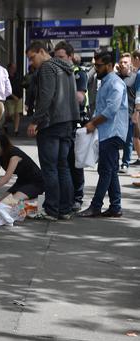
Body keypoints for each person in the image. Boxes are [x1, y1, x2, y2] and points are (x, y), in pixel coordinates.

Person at [25, 41, 80, 221]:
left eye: (32, 58)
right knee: (63, 166)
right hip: (67, 122)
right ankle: (64, 209)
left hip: (51, 123)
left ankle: (51, 210)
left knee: (50, 168)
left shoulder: (48, 67)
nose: (31, 63)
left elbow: (46, 97)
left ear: (42, 51)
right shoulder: (67, 68)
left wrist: (35, 121)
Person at [77, 52, 128, 218]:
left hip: (112, 132)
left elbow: (111, 110)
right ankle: (115, 206)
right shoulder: (106, 82)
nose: (96, 69)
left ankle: (96, 206)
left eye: (98, 66)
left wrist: (93, 123)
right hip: (107, 131)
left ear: (108, 65)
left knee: (105, 170)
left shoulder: (115, 83)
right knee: (111, 170)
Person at [54, 41, 88, 212]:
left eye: (61, 57)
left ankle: (77, 197)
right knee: (63, 162)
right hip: (61, 123)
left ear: (70, 57)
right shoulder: (55, 72)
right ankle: (65, 196)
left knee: (75, 162)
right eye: (56, 57)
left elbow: (80, 97)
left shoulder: (79, 74)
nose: (58, 60)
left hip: (76, 124)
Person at [0, 133, 44, 201]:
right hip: (21, 181)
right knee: (2, 200)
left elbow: (6, 179)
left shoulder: (14, 155)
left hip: (36, 182)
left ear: (2, 146)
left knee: (9, 201)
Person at [116, 53, 136, 173]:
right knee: (115, 140)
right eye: (121, 62)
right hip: (116, 115)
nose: (123, 64)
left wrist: (135, 112)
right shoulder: (115, 77)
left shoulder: (135, 77)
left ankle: (125, 163)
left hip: (129, 114)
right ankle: (114, 162)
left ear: (130, 64)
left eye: (125, 62)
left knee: (128, 140)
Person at [4, 63, 23, 136]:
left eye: (14, 68)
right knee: (9, 114)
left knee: (17, 113)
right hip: (10, 98)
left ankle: (16, 130)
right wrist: (13, 96)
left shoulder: (18, 76)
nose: (14, 69)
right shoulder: (6, 77)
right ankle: (5, 124)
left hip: (19, 97)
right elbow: (6, 88)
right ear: (9, 68)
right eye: (12, 68)